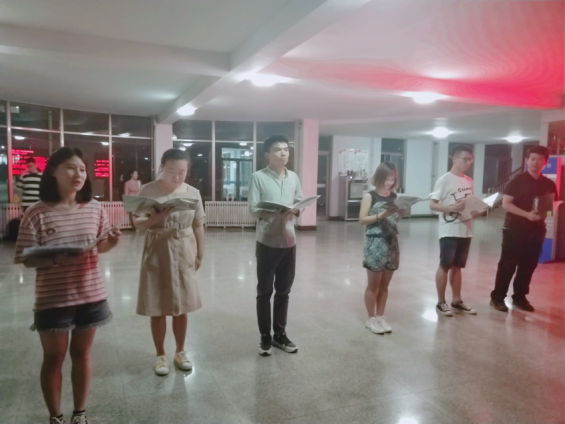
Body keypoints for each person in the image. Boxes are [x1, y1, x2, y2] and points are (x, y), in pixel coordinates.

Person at [14, 147, 121, 424]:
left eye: (82, 169)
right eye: (71, 168)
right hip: (53, 298)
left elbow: (101, 246)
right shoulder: (36, 212)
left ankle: (79, 413)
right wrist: (55, 258)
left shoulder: (94, 207)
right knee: (53, 358)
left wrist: (111, 241)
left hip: (91, 294)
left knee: (82, 355)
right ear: (53, 171)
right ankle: (56, 416)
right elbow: (26, 258)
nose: (78, 174)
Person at [133, 149, 205, 376]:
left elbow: (198, 224)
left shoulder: (193, 193)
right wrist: (156, 218)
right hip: (158, 248)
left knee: (182, 305)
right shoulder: (148, 190)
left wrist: (200, 253)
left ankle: (180, 351)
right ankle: (161, 355)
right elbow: (137, 224)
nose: (177, 176)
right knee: (157, 304)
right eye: (172, 170)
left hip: (184, 248)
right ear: (162, 167)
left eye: (182, 171)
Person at [248, 135, 303, 356]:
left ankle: (280, 334)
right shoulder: (258, 177)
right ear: (267, 155)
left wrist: (298, 209)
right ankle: (265, 336)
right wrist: (275, 212)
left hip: (289, 241)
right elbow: (253, 209)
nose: (283, 153)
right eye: (278, 150)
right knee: (264, 292)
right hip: (267, 242)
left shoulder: (293, 177)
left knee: (284, 291)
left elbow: (299, 200)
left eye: (286, 149)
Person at [490, 146, 557, 312]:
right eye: (532, 159)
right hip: (514, 229)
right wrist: (527, 215)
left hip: (537, 230)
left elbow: (550, 207)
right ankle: (497, 298)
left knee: (529, 265)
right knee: (508, 264)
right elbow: (506, 204)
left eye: (539, 159)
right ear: (527, 160)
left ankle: (519, 297)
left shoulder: (548, 184)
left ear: (545, 162)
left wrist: (545, 214)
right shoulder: (517, 180)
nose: (535, 162)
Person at [430, 145, 478, 316]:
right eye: (465, 159)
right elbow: (433, 204)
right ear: (454, 159)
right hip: (449, 229)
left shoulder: (469, 180)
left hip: (466, 229)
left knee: (458, 266)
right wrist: (450, 208)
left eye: (470, 159)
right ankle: (441, 302)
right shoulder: (444, 179)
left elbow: (470, 203)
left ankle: (457, 301)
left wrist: (476, 209)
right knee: (445, 265)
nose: (468, 162)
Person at [359, 162, 406, 334]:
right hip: (375, 242)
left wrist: (400, 215)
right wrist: (381, 215)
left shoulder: (394, 196)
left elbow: (393, 220)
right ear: (379, 178)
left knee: (385, 284)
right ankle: (371, 318)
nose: (389, 183)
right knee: (373, 285)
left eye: (392, 179)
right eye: (387, 179)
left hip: (391, 242)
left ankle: (380, 317)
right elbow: (362, 219)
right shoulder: (369, 196)